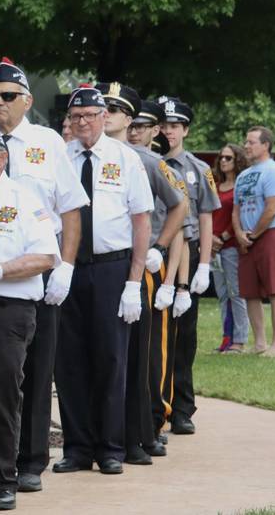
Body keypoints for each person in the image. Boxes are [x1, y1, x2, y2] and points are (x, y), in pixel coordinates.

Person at [0, 58, 87, 493]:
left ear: (27, 100)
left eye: (8, 96)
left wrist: (65, 266)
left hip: (39, 267)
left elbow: (71, 208)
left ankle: (30, 460)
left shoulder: (48, 143)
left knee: (37, 367)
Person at [53, 85, 152, 475]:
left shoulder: (125, 159)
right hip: (70, 267)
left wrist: (133, 282)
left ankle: (111, 447)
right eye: (75, 117)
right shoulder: (61, 158)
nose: (82, 123)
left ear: (102, 116)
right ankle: (77, 447)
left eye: (89, 116)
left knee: (111, 358)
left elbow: (141, 220)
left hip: (113, 268)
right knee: (70, 360)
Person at [0, 125, 60, 511]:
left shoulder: (22, 198)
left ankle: (3, 480)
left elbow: (44, 257)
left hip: (6, 312)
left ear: (2, 159)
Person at [98, 84, 187, 465]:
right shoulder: (83, 152)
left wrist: (159, 248)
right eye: (105, 107)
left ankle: (143, 430)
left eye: (117, 109)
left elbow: (180, 206)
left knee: (141, 357)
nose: (110, 114)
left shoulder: (147, 161)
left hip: (138, 266)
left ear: (130, 118)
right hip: (97, 266)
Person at [126, 99, 187, 451]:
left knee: (154, 352)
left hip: (152, 262)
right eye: (131, 125)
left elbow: (181, 224)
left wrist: (171, 283)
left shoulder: (158, 166)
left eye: (142, 127)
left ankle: (155, 416)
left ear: (155, 131)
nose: (135, 131)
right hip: (123, 262)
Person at [158, 96, 221, 436]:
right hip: (155, 249)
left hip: (189, 253)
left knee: (184, 336)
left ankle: (182, 408)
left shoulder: (199, 169)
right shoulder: (149, 164)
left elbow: (207, 218)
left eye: (174, 126)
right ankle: (155, 402)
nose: (168, 131)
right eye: (164, 125)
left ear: (185, 130)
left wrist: (205, 265)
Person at [234, 126, 275, 356]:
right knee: (250, 291)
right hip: (246, 238)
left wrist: (253, 234)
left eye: (251, 142)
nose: (246, 146)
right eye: (246, 141)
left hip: (270, 234)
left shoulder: (274, 171)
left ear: (266, 145)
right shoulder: (242, 175)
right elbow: (236, 209)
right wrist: (239, 233)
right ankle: (260, 343)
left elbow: (273, 207)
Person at [210, 143, 250, 353]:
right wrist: (211, 239)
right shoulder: (215, 186)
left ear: (237, 161)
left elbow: (240, 216)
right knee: (222, 293)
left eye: (228, 158)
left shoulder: (240, 187)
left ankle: (240, 340)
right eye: (221, 157)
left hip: (231, 247)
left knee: (236, 292)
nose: (223, 161)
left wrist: (223, 237)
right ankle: (227, 339)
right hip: (213, 248)